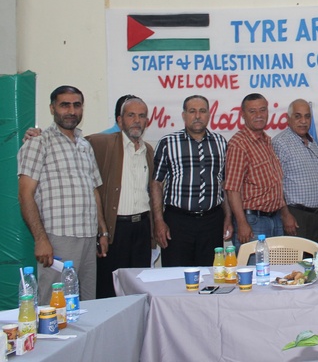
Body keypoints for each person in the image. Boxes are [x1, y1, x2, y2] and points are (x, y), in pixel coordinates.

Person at [17, 85, 109, 304]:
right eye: (64, 105)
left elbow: (93, 190)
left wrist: (102, 231)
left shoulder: (85, 145)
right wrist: (41, 240)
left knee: (86, 304)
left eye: (77, 105)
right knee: (54, 305)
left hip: (88, 237)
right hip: (57, 238)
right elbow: (25, 194)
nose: (71, 111)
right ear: (52, 108)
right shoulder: (38, 143)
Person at [150, 95, 232, 267]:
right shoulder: (168, 143)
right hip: (177, 222)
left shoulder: (220, 143)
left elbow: (224, 183)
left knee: (210, 274)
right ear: (184, 115)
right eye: (192, 111)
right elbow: (156, 183)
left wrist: (228, 217)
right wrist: (158, 221)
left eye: (202, 111)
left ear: (209, 114)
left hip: (212, 221)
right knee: (176, 274)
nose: (197, 116)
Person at [86, 96, 154, 298]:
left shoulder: (148, 150)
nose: (136, 120)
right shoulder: (101, 143)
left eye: (141, 116)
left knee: (138, 289)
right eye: (131, 115)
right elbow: (71, 141)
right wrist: (36, 135)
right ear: (119, 120)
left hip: (141, 228)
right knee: (108, 290)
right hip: (115, 230)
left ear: (147, 121)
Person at [224, 93, 292, 251]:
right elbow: (232, 189)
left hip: (275, 219)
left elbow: (275, 182)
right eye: (252, 111)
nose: (259, 115)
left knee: (277, 266)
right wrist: (242, 223)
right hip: (253, 222)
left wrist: (284, 213)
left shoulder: (267, 140)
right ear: (243, 115)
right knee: (254, 266)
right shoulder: (239, 144)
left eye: (262, 110)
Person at [272, 99, 318, 245]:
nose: (303, 121)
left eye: (307, 116)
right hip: (295, 216)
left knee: (316, 257)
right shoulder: (281, 143)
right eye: (298, 116)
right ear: (288, 119)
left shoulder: (312, 142)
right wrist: (285, 215)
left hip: (316, 215)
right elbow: (276, 184)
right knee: (297, 258)